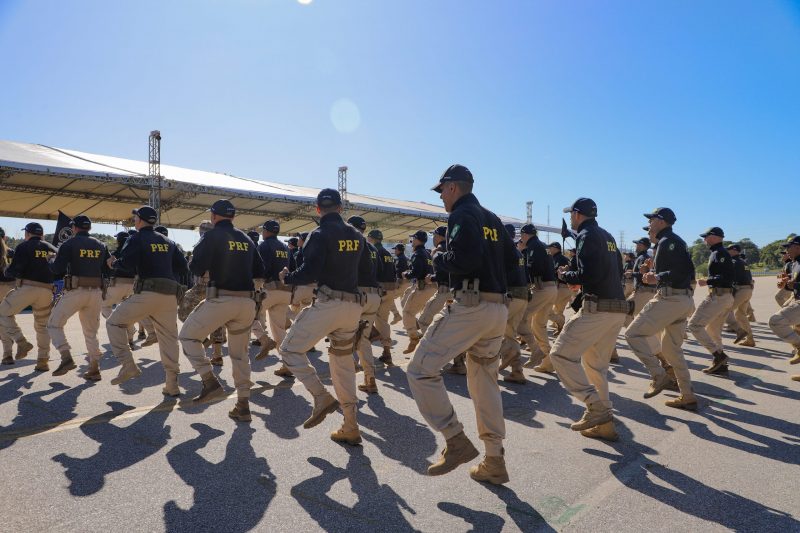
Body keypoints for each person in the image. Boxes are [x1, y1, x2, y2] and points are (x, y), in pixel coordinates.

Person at [407, 164, 516, 485]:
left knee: (420, 370)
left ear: (453, 187)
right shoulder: (492, 219)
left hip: (470, 305)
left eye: (441, 190)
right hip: (497, 307)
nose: (441, 197)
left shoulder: (461, 215)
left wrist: (438, 256)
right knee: (484, 381)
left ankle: (455, 439)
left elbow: (462, 261)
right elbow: (513, 262)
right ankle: (494, 460)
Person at [278, 188, 370, 445]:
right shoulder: (357, 235)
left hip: (329, 303)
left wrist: (288, 278)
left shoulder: (318, 234)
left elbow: (310, 271)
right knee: (343, 366)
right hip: (353, 306)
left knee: (289, 350)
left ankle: (321, 397)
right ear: (340, 208)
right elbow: (365, 271)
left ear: (318, 209)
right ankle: (351, 425)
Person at [550, 198, 628, 440]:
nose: (570, 219)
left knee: (560, 354)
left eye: (570, 214)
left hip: (598, 308)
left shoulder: (585, 235)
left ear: (576, 214)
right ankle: (605, 426)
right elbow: (618, 270)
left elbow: (587, 274)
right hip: (616, 307)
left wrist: (566, 275)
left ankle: (596, 406)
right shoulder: (607, 236)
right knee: (596, 367)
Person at [179, 200, 265, 420]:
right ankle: (243, 404)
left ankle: (210, 382)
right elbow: (260, 271)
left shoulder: (211, 236)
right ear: (233, 216)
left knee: (187, 336)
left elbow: (195, 268)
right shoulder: (246, 238)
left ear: (213, 216)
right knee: (240, 355)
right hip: (246, 303)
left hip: (221, 299)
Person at [105, 206, 189, 395]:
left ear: (140, 220)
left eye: (135, 217)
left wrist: (114, 264)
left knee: (114, 323)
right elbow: (183, 267)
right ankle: (172, 384)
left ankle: (128, 365)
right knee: (169, 339)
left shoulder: (136, 237)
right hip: (170, 295)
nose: (134, 220)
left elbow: (127, 264)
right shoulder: (169, 241)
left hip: (148, 292)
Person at [625, 208, 698, 412]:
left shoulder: (669, 241)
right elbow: (677, 270)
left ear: (662, 221)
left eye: (652, 219)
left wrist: (657, 276)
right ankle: (687, 395)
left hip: (670, 298)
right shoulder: (668, 242)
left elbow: (682, 271)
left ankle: (659, 376)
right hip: (680, 299)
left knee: (632, 334)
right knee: (672, 350)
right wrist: (651, 272)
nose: (649, 223)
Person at [46, 215, 110, 378]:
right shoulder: (101, 245)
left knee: (54, 324)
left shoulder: (69, 244)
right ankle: (94, 367)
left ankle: (66, 356)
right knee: (91, 332)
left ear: (74, 228)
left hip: (75, 291)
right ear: (89, 228)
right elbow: (108, 269)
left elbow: (57, 269)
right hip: (96, 292)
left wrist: (51, 260)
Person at [0, 222, 56, 370]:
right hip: (47, 290)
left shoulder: (23, 247)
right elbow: (59, 268)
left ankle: (20, 342)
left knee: (3, 313)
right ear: (42, 234)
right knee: (42, 326)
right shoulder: (51, 248)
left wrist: (7, 271)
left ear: (27, 233)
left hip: (27, 288)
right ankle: (43, 360)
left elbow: (15, 270)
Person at [177, 221, 227, 365]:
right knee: (216, 318)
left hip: (203, 285)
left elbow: (196, 266)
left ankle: (204, 339)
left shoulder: (204, 243)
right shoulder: (221, 245)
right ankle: (217, 355)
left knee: (183, 309)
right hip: (219, 286)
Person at [688, 227, 735, 374]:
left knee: (694, 325)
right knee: (713, 330)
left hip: (718, 296)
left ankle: (718, 355)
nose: (704, 240)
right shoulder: (719, 252)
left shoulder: (719, 253)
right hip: (725, 297)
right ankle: (721, 365)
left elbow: (726, 276)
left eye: (706, 237)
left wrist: (708, 281)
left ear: (714, 237)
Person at [252, 220, 292, 377]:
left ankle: (264, 340)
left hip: (270, 289)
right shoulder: (285, 247)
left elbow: (263, 268)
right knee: (279, 330)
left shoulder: (264, 246)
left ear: (266, 231)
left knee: (245, 314)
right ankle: (288, 364)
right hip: (285, 291)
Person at [347, 216, 381, 394]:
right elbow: (380, 272)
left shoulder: (351, 245)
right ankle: (370, 378)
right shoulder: (373, 248)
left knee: (341, 333)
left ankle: (351, 364)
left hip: (358, 296)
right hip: (374, 296)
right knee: (363, 340)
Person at [518, 224, 557, 372]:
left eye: (522, 235)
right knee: (538, 325)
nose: (521, 238)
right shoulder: (543, 245)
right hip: (551, 288)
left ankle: (535, 351)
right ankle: (548, 362)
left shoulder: (533, 246)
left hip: (542, 288)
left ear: (525, 234)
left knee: (520, 317)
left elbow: (534, 268)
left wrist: (521, 269)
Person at [498, 224, 529, 384]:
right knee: (509, 334)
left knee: (492, 331)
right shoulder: (517, 251)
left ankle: (488, 368)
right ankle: (517, 372)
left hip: (511, 295)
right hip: (522, 296)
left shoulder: (503, 249)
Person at [101, 231, 137, 348]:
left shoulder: (116, 253)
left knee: (104, 306)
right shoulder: (134, 251)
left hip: (117, 284)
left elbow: (107, 267)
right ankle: (130, 334)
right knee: (126, 311)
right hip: (132, 285)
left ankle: (117, 323)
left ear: (119, 240)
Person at [769, 236, 800, 372]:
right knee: (796, 328)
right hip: (796, 298)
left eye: (788, 247)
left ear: (797, 247)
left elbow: (797, 284)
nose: (786, 251)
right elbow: (793, 284)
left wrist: (795, 284)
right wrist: (786, 284)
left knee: (776, 321)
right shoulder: (795, 263)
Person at [401, 230, 434, 354]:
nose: (412, 241)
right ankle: (430, 345)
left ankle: (414, 338)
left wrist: (406, 274)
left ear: (417, 239)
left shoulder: (418, 254)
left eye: (413, 238)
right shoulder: (427, 253)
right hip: (432, 289)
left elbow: (416, 272)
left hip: (423, 288)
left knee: (407, 313)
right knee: (425, 319)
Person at [369, 229, 399, 366]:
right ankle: (386, 351)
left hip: (379, 290)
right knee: (383, 321)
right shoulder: (387, 253)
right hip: (390, 290)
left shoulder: (373, 251)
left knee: (363, 317)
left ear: (372, 238)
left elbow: (373, 271)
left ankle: (367, 344)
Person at [417, 226, 451, 335]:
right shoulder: (454, 249)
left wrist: (431, 278)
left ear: (439, 236)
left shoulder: (439, 250)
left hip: (444, 291)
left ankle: (434, 344)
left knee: (423, 321)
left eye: (434, 235)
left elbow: (443, 273)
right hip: (455, 292)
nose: (433, 238)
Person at [722, 244, 756, 347]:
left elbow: (731, 278)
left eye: (729, 249)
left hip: (741, 290)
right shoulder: (743, 262)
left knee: (725, 310)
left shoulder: (733, 262)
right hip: (748, 290)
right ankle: (750, 340)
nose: (727, 251)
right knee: (740, 315)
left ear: (735, 250)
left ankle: (739, 331)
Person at [0, 227, 19, 363]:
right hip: (13, 289)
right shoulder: (12, 252)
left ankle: (8, 353)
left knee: (2, 321)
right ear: (5, 238)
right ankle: (9, 350)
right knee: (7, 318)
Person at [547, 242, 572, 335]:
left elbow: (555, 272)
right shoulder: (565, 258)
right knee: (559, 309)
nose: (549, 249)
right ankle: (559, 327)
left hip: (561, 287)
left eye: (550, 247)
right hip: (567, 287)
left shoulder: (558, 258)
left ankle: (562, 325)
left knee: (548, 308)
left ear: (555, 248)